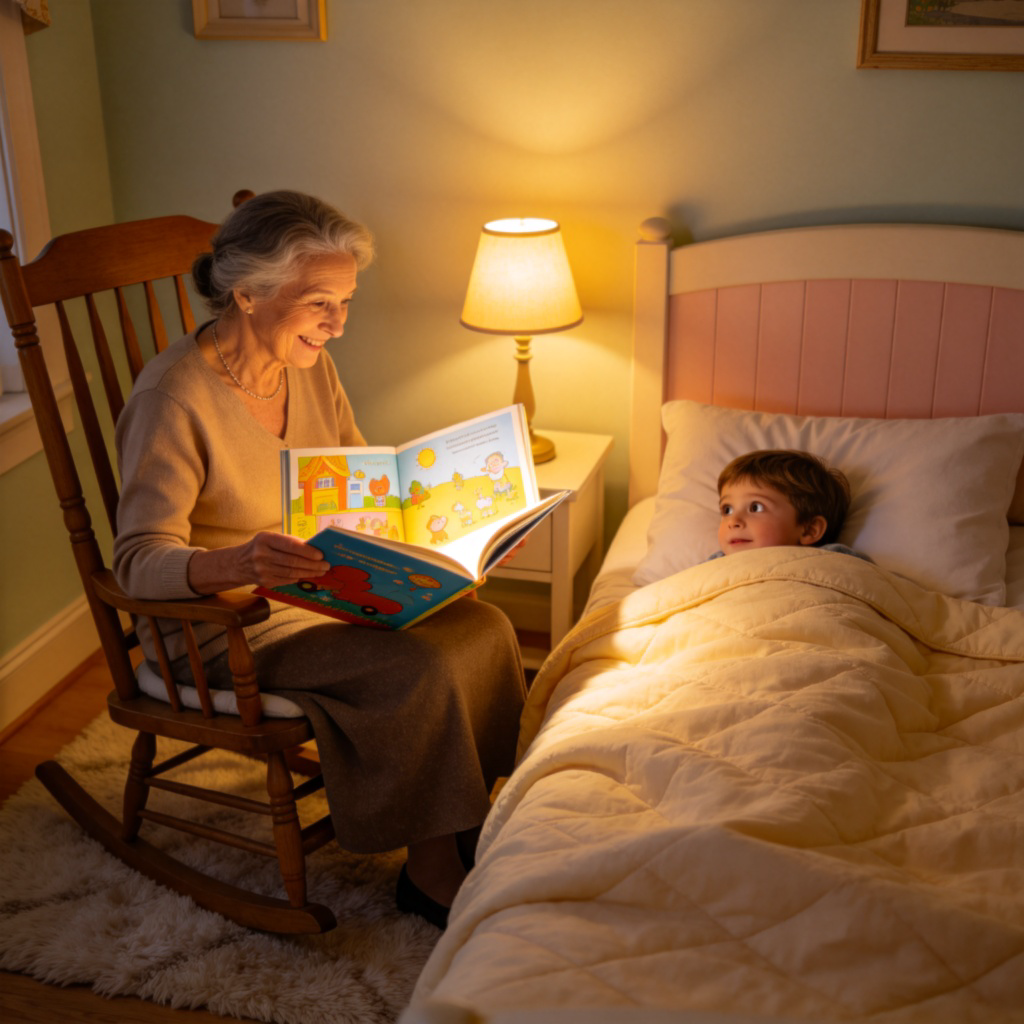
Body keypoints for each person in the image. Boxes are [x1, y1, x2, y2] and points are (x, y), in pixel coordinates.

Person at [113, 190, 527, 929]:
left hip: (310, 589)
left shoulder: (308, 366)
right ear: (247, 294)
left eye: (345, 300)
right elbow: (137, 563)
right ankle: (429, 872)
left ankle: (469, 815)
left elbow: (360, 487)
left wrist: (435, 550)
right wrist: (239, 563)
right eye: (320, 303)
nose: (338, 323)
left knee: (485, 626)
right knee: (416, 668)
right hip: (218, 624)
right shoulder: (172, 400)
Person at [711, 449, 869, 560]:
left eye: (755, 507)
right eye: (727, 510)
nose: (733, 522)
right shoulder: (713, 566)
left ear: (809, 530)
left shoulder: (836, 560)